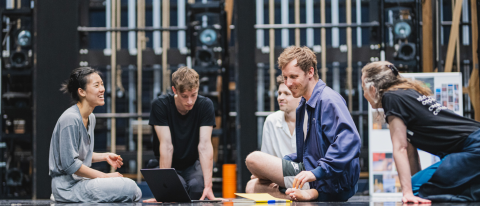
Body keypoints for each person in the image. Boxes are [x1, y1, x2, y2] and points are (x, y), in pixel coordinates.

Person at [245, 46, 361, 202]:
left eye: (293, 76)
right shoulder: (304, 105)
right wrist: (280, 164)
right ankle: (313, 195)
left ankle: (317, 193)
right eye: (285, 77)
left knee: (254, 159)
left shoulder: (327, 100)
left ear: (310, 72)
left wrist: (316, 172)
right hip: (314, 172)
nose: (288, 83)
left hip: (331, 179)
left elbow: (350, 141)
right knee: (253, 187)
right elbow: (308, 153)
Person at [361, 61, 480, 203]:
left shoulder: (391, 98)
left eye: (363, 88)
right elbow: (410, 152)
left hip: (473, 147)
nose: (363, 94)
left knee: (418, 190)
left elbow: (400, 148)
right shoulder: (405, 93)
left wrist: (409, 192)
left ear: (373, 88)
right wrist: (413, 190)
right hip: (471, 144)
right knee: (417, 189)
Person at [49, 67, 142, 203]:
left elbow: (80, 155)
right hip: (67, 188)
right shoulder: (70, 119)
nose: (102, 89)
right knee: (130, 188)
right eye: (96, 85)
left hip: (81, 183)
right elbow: (70, 164)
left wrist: (104, 156)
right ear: (81, 91)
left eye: (102, 84)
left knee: (132, 189)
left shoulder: (90, 117)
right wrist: (105, 177)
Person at [145, 67, 216, 203]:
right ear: (174, 90)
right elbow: (166, 146)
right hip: (168, 164)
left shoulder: (205, 105)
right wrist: (164, 189)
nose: (189, 101)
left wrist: (208, 186)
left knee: (197, 189)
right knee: (177, 191)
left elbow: (205, 146)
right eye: (184, 96)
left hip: (191, 165)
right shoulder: (161, 105)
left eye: (193, 95)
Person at [260, 75, 301, 158]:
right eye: (279, 93)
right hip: (280, 170)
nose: (280, 98)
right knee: (253, 158)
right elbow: (267, 158)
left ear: (300, 97)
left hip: (307, 170)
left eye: (286, 94)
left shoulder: (312, 120)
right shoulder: (272, 120)